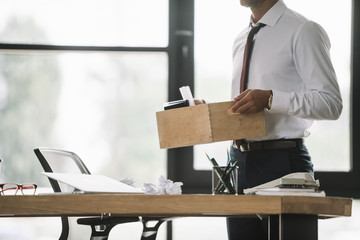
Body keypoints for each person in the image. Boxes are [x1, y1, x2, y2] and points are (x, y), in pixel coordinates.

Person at [196, 0, 342, 239]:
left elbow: (331, 104)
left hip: (283, 164)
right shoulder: (240, 39)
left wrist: (271, 98)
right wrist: (211, 113)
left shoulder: (303, 30)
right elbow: (248, 109)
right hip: (238, 165)